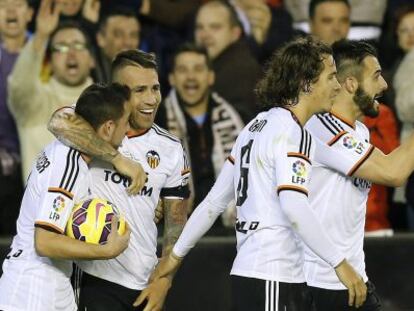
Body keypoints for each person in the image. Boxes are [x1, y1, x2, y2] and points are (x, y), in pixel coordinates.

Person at [145, 37, 367, 310]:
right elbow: (294, 205)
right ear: (307, 83)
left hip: (250, 273)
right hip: (274, 276)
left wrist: (175, 256)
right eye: (332, 77)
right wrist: (340, 264)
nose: (338, 85)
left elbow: (214, 202)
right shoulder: (292, 133)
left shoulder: (255, 125)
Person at [48, 49, 190, 311]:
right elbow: (58, 121)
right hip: (95, 278)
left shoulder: (170, 147)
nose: (151, 99)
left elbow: (176, 221)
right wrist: (117, 158)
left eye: (155, 88)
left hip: (145, 283)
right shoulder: (93, 124)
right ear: (119, 92)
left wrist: (166, 279)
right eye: (139, 90)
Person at [0, 83, 133, 311]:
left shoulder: (67, 147)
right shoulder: (68, 165)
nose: (129, 129)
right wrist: (106, 251)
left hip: (52, 286)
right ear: (109, 128)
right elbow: (45, 241)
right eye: (126, 121)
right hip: (34, 292)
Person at [303, 39, 412, 310]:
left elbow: (390, 165)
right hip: (319, 283)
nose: (384, 85)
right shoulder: (322, 128)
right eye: (376, 76)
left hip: (351, 280)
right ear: (351, 84)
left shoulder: (358, 131)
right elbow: (393, 173)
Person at [7, 0, 95, 181]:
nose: (71, 53)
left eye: (78, 46)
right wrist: (40, 36)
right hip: (43, 208)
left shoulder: (109, 104)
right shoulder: (35, 102)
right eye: (61, 47)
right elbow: (19, 86)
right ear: (50, 61)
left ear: (92, 58)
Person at [158, 43, 244, 213]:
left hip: (228, 229)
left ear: (211, 76)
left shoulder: (237, 118)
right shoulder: (158, 121)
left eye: (198, 69)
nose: (191, 77)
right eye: (183, 70)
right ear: (172, 78)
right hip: (177, 228)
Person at [194, 0, 262, 122]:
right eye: (200, 27)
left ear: (235, 33)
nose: (204, 35)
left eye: (215, 27)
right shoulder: (207, 65)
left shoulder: (241, 71)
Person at [0, 0, 33, 234]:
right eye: (3, 5)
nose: (11, 11)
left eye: (18, 4)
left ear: (30, 13)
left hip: (39, 158)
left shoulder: (47, 51)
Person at [94, 6, 141, 82]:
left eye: (133, 35)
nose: (127, 42)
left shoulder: (147, 76)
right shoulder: (87, 75)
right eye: (119, 34)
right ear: (101, 38)